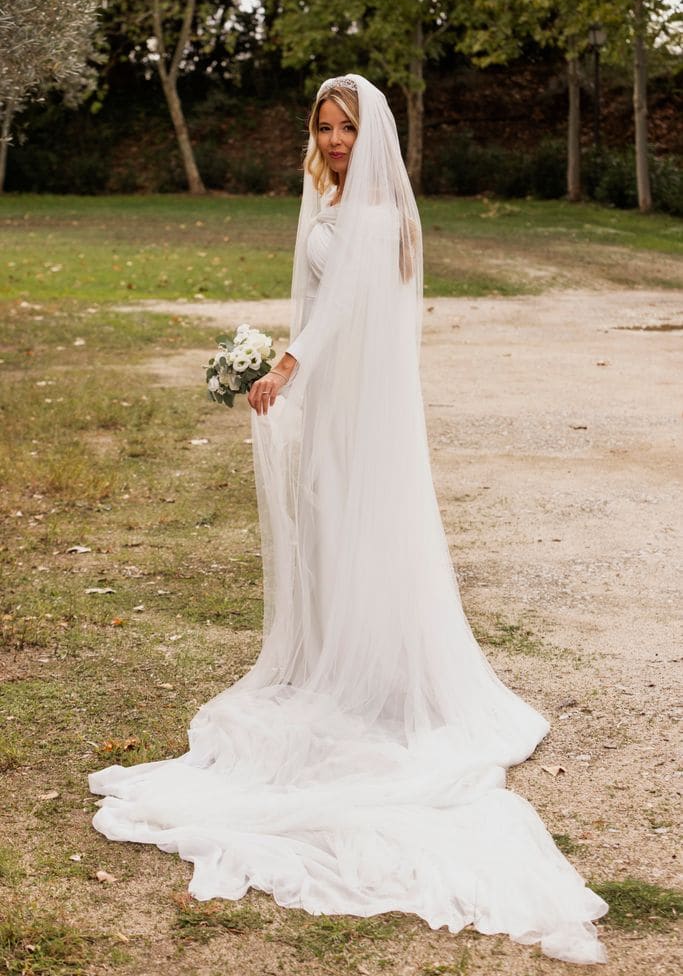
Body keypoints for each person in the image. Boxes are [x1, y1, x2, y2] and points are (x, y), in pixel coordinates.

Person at [88, 75, 608, 964]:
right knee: (333, 532)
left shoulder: (372, 216)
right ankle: (348, 663)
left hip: (356, 404)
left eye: (345, 128)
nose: (332, 141)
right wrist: (291, 369)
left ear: (371, 134)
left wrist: (283, 367)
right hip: (337, 400)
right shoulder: (335, 199)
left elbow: (336, 312)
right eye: (323, 127)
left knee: (360, 529)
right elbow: (321, 300)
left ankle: (376, 683)